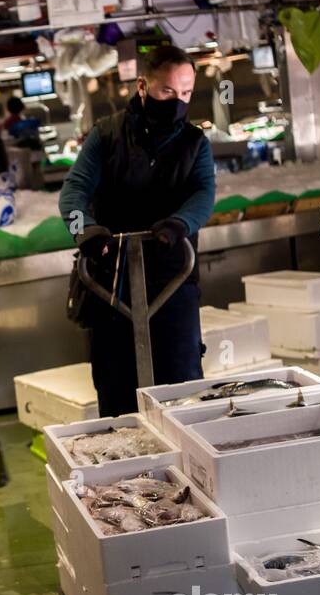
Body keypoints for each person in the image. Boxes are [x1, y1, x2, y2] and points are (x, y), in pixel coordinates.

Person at [58, 45, 216, 415]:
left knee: (180, 383)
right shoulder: (106, 135)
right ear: (143, 86)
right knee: (117, 388)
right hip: (110, 280)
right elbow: (74, 191)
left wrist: (180, 224)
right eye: (167, 92)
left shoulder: (195, 143)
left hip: (173, 276)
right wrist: (87, 232)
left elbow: (203, 194)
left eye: (186, 94)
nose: (178, 102)